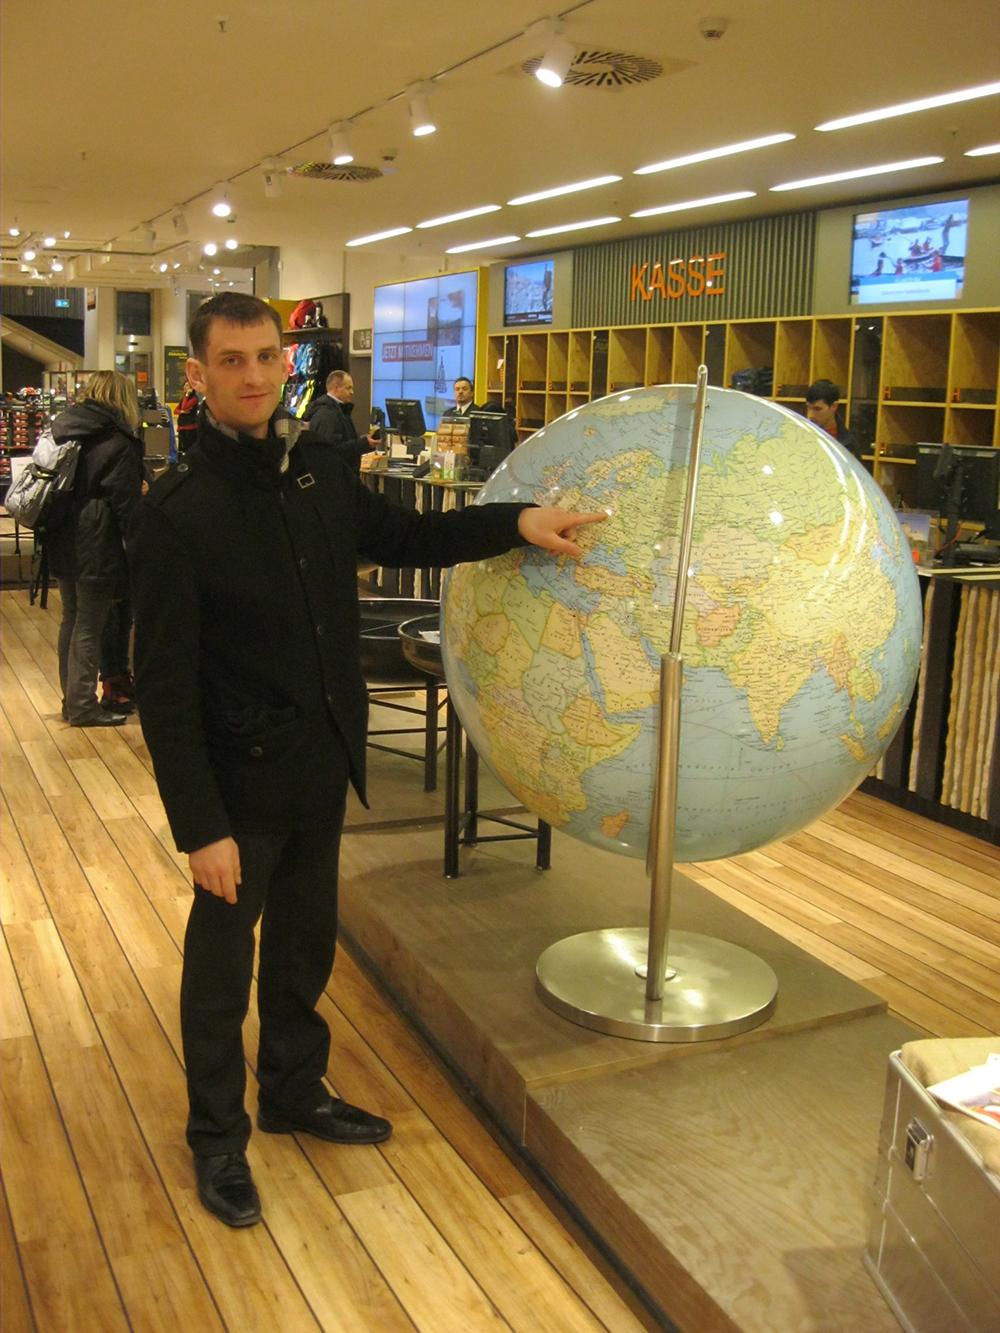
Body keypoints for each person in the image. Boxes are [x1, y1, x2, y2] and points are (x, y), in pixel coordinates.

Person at [127, 292, 604, 1230]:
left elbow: (414, 537)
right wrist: (201, 826)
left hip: (320, 761)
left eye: (267, 357)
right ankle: (217, 1136)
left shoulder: (320, 476)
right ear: (199, 374)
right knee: (221, 971)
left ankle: (293, 1088)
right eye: (233, 361)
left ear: (286, 363)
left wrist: (516, 522)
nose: (255, 375)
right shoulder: (177, 514)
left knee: (304, 945)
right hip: (238, 784)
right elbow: (164, 689)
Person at [48, 370, 145, 727]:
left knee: (72, 619)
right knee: (90, 623)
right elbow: (126, 503)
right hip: (97, 538)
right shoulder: (117, 440)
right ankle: (83, 706)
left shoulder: (65, 428)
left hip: (62, 532)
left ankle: (71, 700)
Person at [302, 369, 375, 469]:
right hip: (334, 475)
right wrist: (362, 444)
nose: (352, 392)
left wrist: (364, 441)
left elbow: (342, 441)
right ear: (336, 388)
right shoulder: (327, 414)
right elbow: (332, 450)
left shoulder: (337, 410)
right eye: (348, 388)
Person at [805, 379, 860, 461]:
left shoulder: (848, 444)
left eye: (817, 409)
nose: (810, 415)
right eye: (808, 408)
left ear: (834, 406)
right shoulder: (799, 436)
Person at [175, 380, 200, 454]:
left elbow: (184, 407)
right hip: (182, 427)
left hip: (190, 427)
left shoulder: (194, 399)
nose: (184, 387)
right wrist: (182, 412)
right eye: (184, 385)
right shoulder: (183, 398)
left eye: (187, 386)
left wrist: (187, 395)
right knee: (181, 449)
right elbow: (175, 410)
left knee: (188, 449)